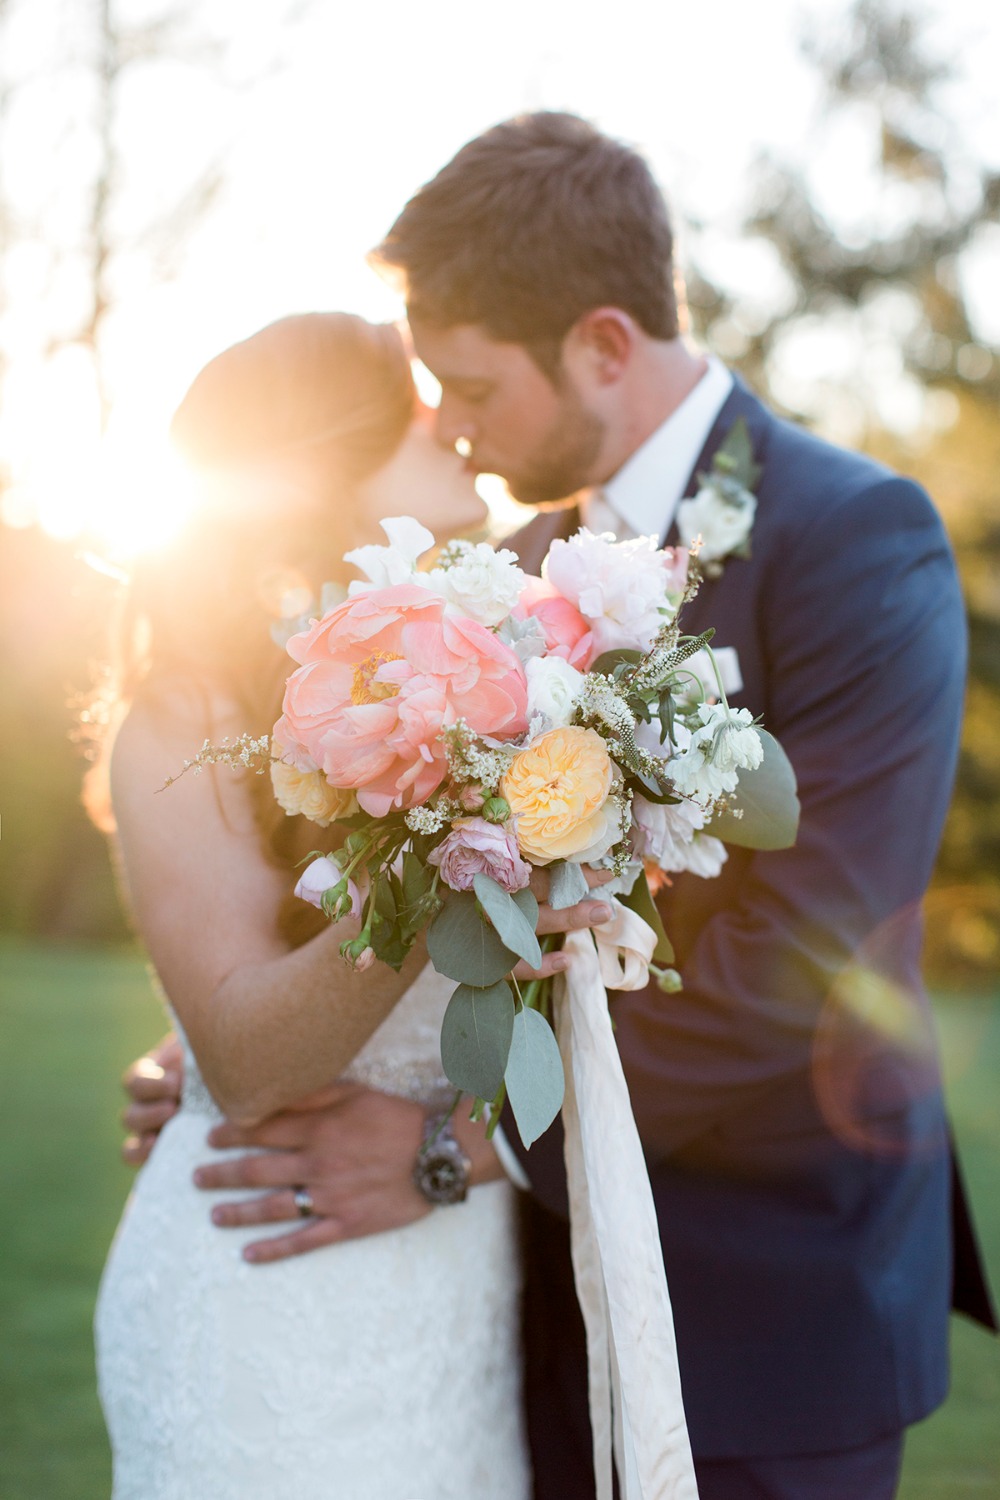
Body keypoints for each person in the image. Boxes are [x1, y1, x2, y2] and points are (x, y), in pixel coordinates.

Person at [122, 118, 997, 1500]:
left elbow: (806, 954)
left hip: (774, 1314)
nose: (452, 431)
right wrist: (227, 1056)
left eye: (470, 387)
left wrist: (450, 1144)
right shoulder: (498, 577)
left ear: (602, 342)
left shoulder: (856, 538)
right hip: (520, 1310)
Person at [91, 310, 613, 1500]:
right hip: (268, 1293)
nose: (450, 412)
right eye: (412, 394)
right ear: (328, 454)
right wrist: (446, 859)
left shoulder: (527, 666)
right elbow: (244, 1061)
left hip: (453, 1300)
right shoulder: (186, 718)